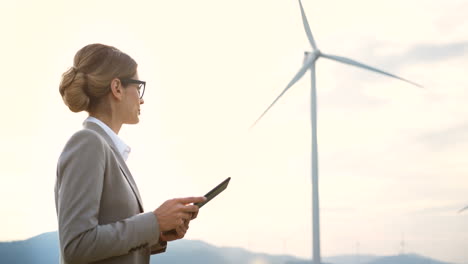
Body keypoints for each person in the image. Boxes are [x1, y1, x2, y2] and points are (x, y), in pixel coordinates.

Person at [55, 43, 206, 264]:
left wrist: (158, 233)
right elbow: (76, 246)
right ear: (117, 88)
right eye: (138, 87)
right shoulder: (88, 143)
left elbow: (101, 244)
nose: (141, 98)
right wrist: (154, 221)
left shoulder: (104, 147)